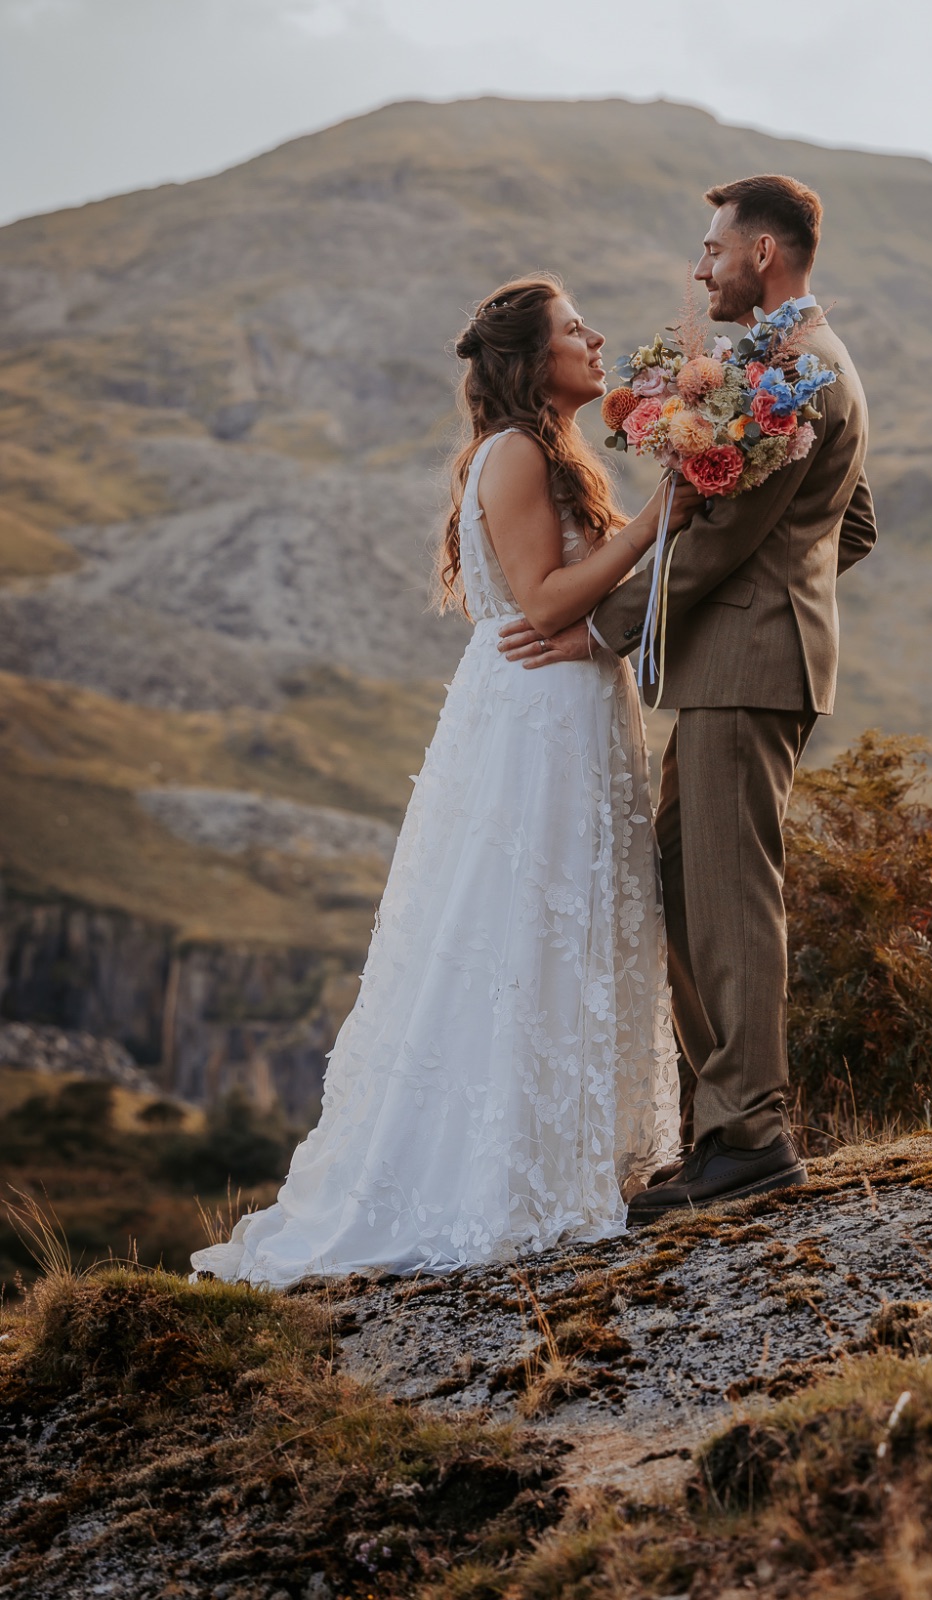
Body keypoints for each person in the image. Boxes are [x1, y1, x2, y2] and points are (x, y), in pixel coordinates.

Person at [192, 277, 698, 1286]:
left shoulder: (551, 448)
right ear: (531, 358)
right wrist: (658, 516)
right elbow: (544, 600)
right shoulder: (515, 453)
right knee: (525, 927)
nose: (596, 337)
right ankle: (500, 1175)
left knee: (569, 921)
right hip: (536, 720)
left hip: (569, 706)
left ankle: (569, 1153)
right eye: (574, 329)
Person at [501, 175, 876, 1222]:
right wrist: (782, 587)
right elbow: (850, 525)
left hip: (748, 672)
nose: (699, 267)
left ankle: (752, 1137)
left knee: (728, 895)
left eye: (713, 249)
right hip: (745, 660)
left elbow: (721, 541)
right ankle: (722, 1126)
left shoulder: (793, 372)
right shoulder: (797, 360)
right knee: (683, 873)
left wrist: (600, 629)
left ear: (762, 253)